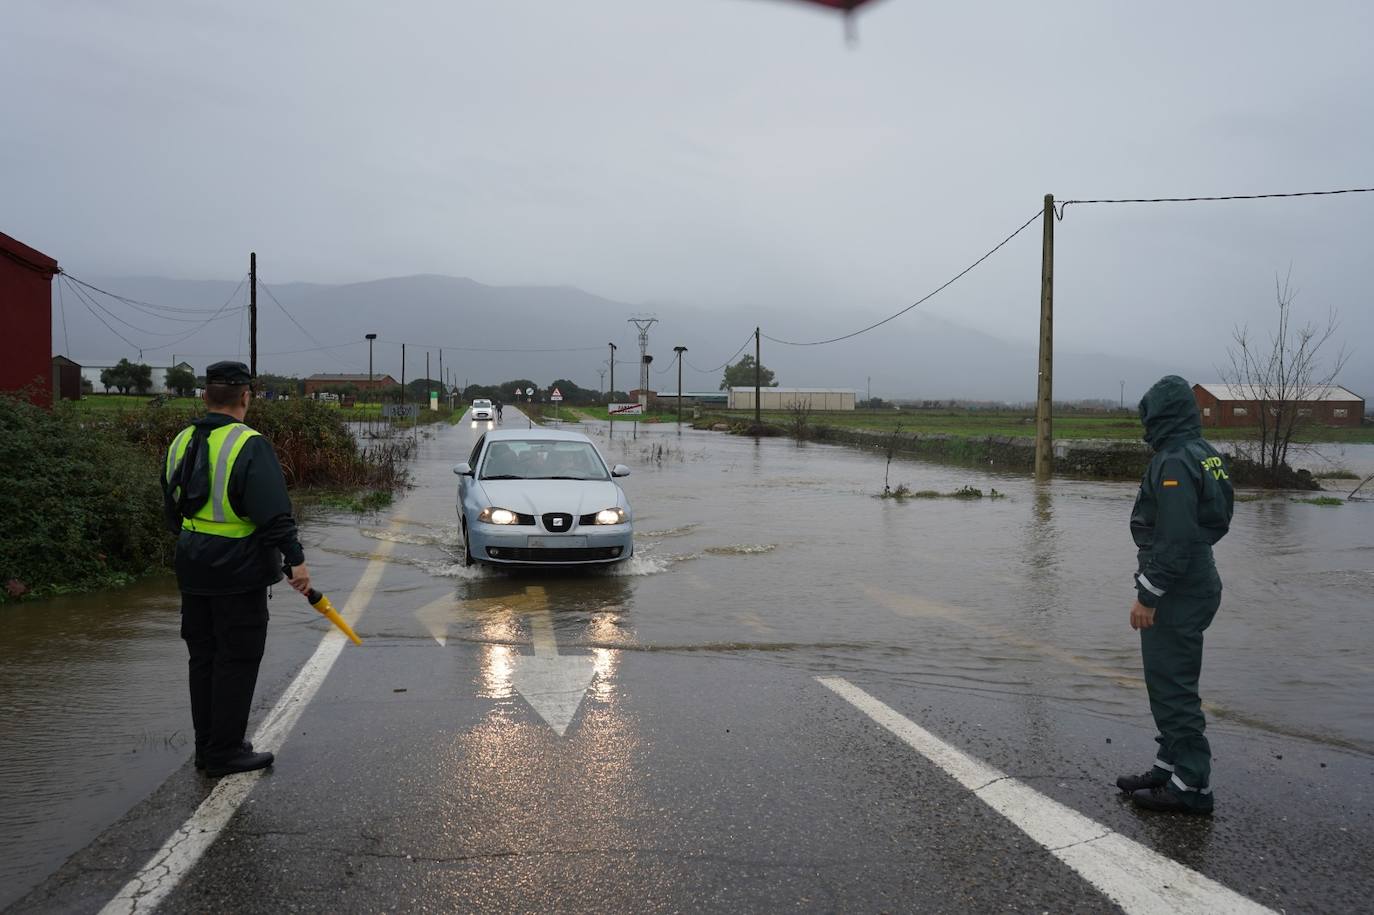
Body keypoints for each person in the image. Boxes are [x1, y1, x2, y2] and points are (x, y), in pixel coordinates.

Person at [162, 361, 311, 778]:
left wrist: (195, 537)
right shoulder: (249, 443)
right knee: (238, 657)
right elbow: (273, 512)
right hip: (236, 569)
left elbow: (170, 503)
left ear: (205, 396)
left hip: (191, 564)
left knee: (203, 657)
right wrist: (295, 559)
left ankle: (208, 747)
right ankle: (225, 752)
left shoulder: (181, 439)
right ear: (247, 396)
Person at [1118, 375, 1234, 814]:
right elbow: (1215, 521)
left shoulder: (1173, 460)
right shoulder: (1204, 454)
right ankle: (1168, 768)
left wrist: (1149, 594)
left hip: (1178, 585)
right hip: (1197, 575)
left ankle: (1192, 788)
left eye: (1147, 416)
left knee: (1171, 685)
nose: (1144, 425)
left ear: (1159, 415)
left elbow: (1176, 535)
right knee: (1170, 680)